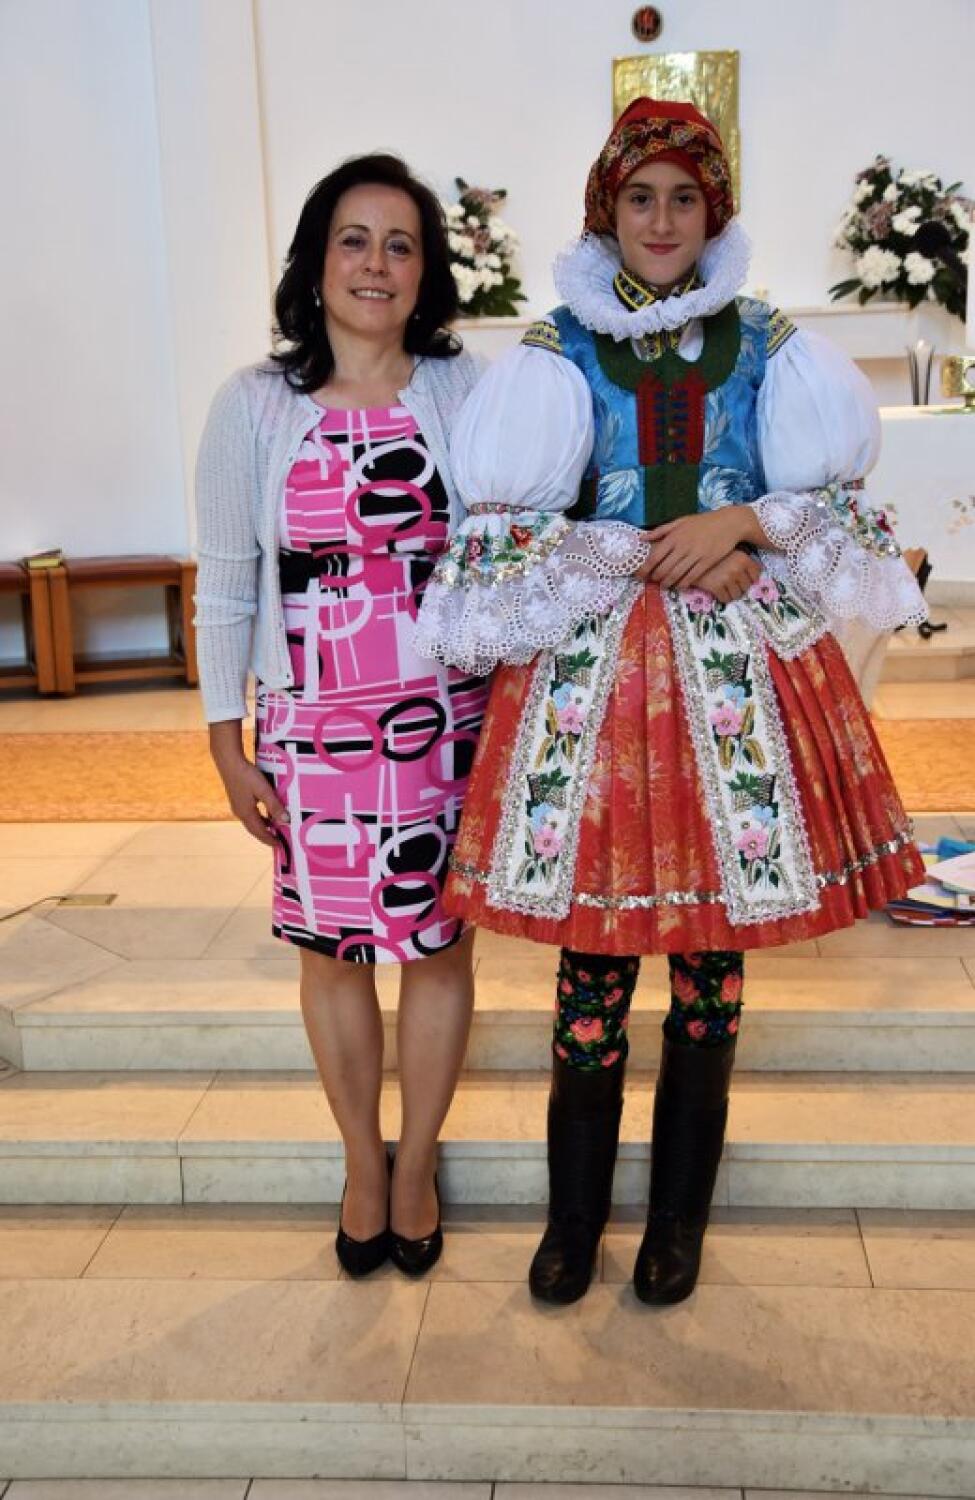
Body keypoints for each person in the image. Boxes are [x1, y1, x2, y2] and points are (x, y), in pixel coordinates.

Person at [415, 98, 927, 1306]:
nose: (661, 220)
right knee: (592, 957)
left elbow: (842, 505)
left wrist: (740, 521)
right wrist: (641, 550)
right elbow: (503, 527)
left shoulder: (768, 343)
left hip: (739, 671)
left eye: (683, 199)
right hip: (594, 676)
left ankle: (677, 1224)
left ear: (714, 211)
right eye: (640, 198)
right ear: (607, 209)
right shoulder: (553, 349)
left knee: (709, 957)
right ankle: (574, 1219)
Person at [195, 153, 487, 1279]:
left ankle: (417, 1165)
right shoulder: (253, 404)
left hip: (445, 720)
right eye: (354, 240)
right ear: (316, 263)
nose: (376, 264)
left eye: (400, 244)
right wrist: (226, 744)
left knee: (438, 947)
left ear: (426, 272)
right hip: (312, 724)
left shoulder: (463, 391)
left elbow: (514, 550)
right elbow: (227, 584)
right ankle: (363, 1162)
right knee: (330, 954)